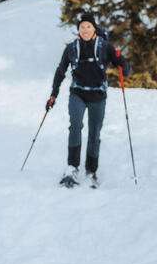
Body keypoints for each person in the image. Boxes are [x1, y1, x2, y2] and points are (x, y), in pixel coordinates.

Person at [46, 12, 131, 188]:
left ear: (94, 29)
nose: (85, 29)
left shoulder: (105, 47)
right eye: (82, 26)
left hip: (98, 96)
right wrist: (54, 93)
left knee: (94, 133)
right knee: (75, 126)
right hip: (77, 93)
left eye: (88, 26)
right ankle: (72, 168)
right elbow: (60, 71)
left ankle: (91, 171)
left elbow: (126, 69)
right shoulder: (71, 48)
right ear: (78, 29)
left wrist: (121, 60)